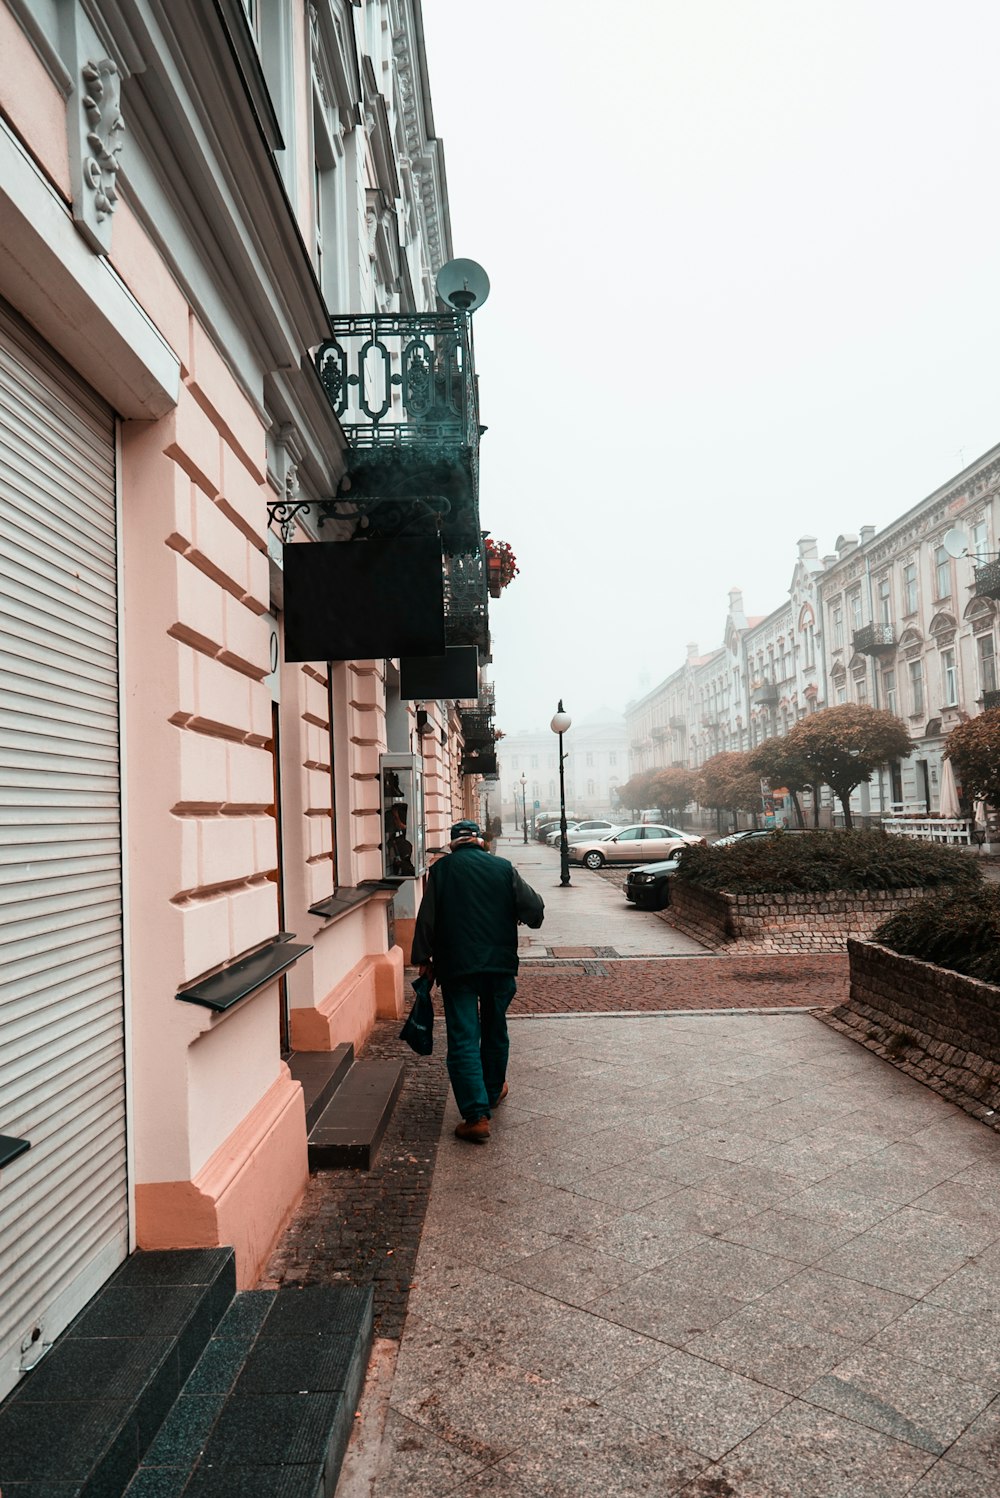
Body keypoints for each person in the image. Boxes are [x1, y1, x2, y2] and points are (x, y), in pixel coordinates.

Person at [411, 819, 544, 1143]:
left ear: (453, 844)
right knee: (495, 1029)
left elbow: (426, 919)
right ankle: (494, 1089)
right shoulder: (503, 868)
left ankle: (475, 1116)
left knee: (464, 1037)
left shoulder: (441, 872)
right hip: (499, 965)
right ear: (480, 841)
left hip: (458, 968)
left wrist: (423, 959)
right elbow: (535, 910)